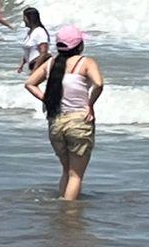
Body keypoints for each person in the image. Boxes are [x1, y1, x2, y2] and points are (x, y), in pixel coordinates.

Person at [25, 26, 105, 201]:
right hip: (78, 122)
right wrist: (90, 104)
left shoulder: (51, 63)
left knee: (66, 171)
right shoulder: (85, 62)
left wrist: (47, 99)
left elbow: (30, 83)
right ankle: (68, 214)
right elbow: (98, 84)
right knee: (76, 175)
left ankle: (62, 206)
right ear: (80, 46)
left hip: (56, 122)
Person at [19, 7, 52, 75]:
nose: (23, 20)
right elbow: (29, 50)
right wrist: (22, 64)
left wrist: (35, 69)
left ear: (28, 18)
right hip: (32, 65)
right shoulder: (29, 32)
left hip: (41, 66)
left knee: (29, 84)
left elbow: (44, 52)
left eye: (24, 17)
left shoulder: (40, 32)